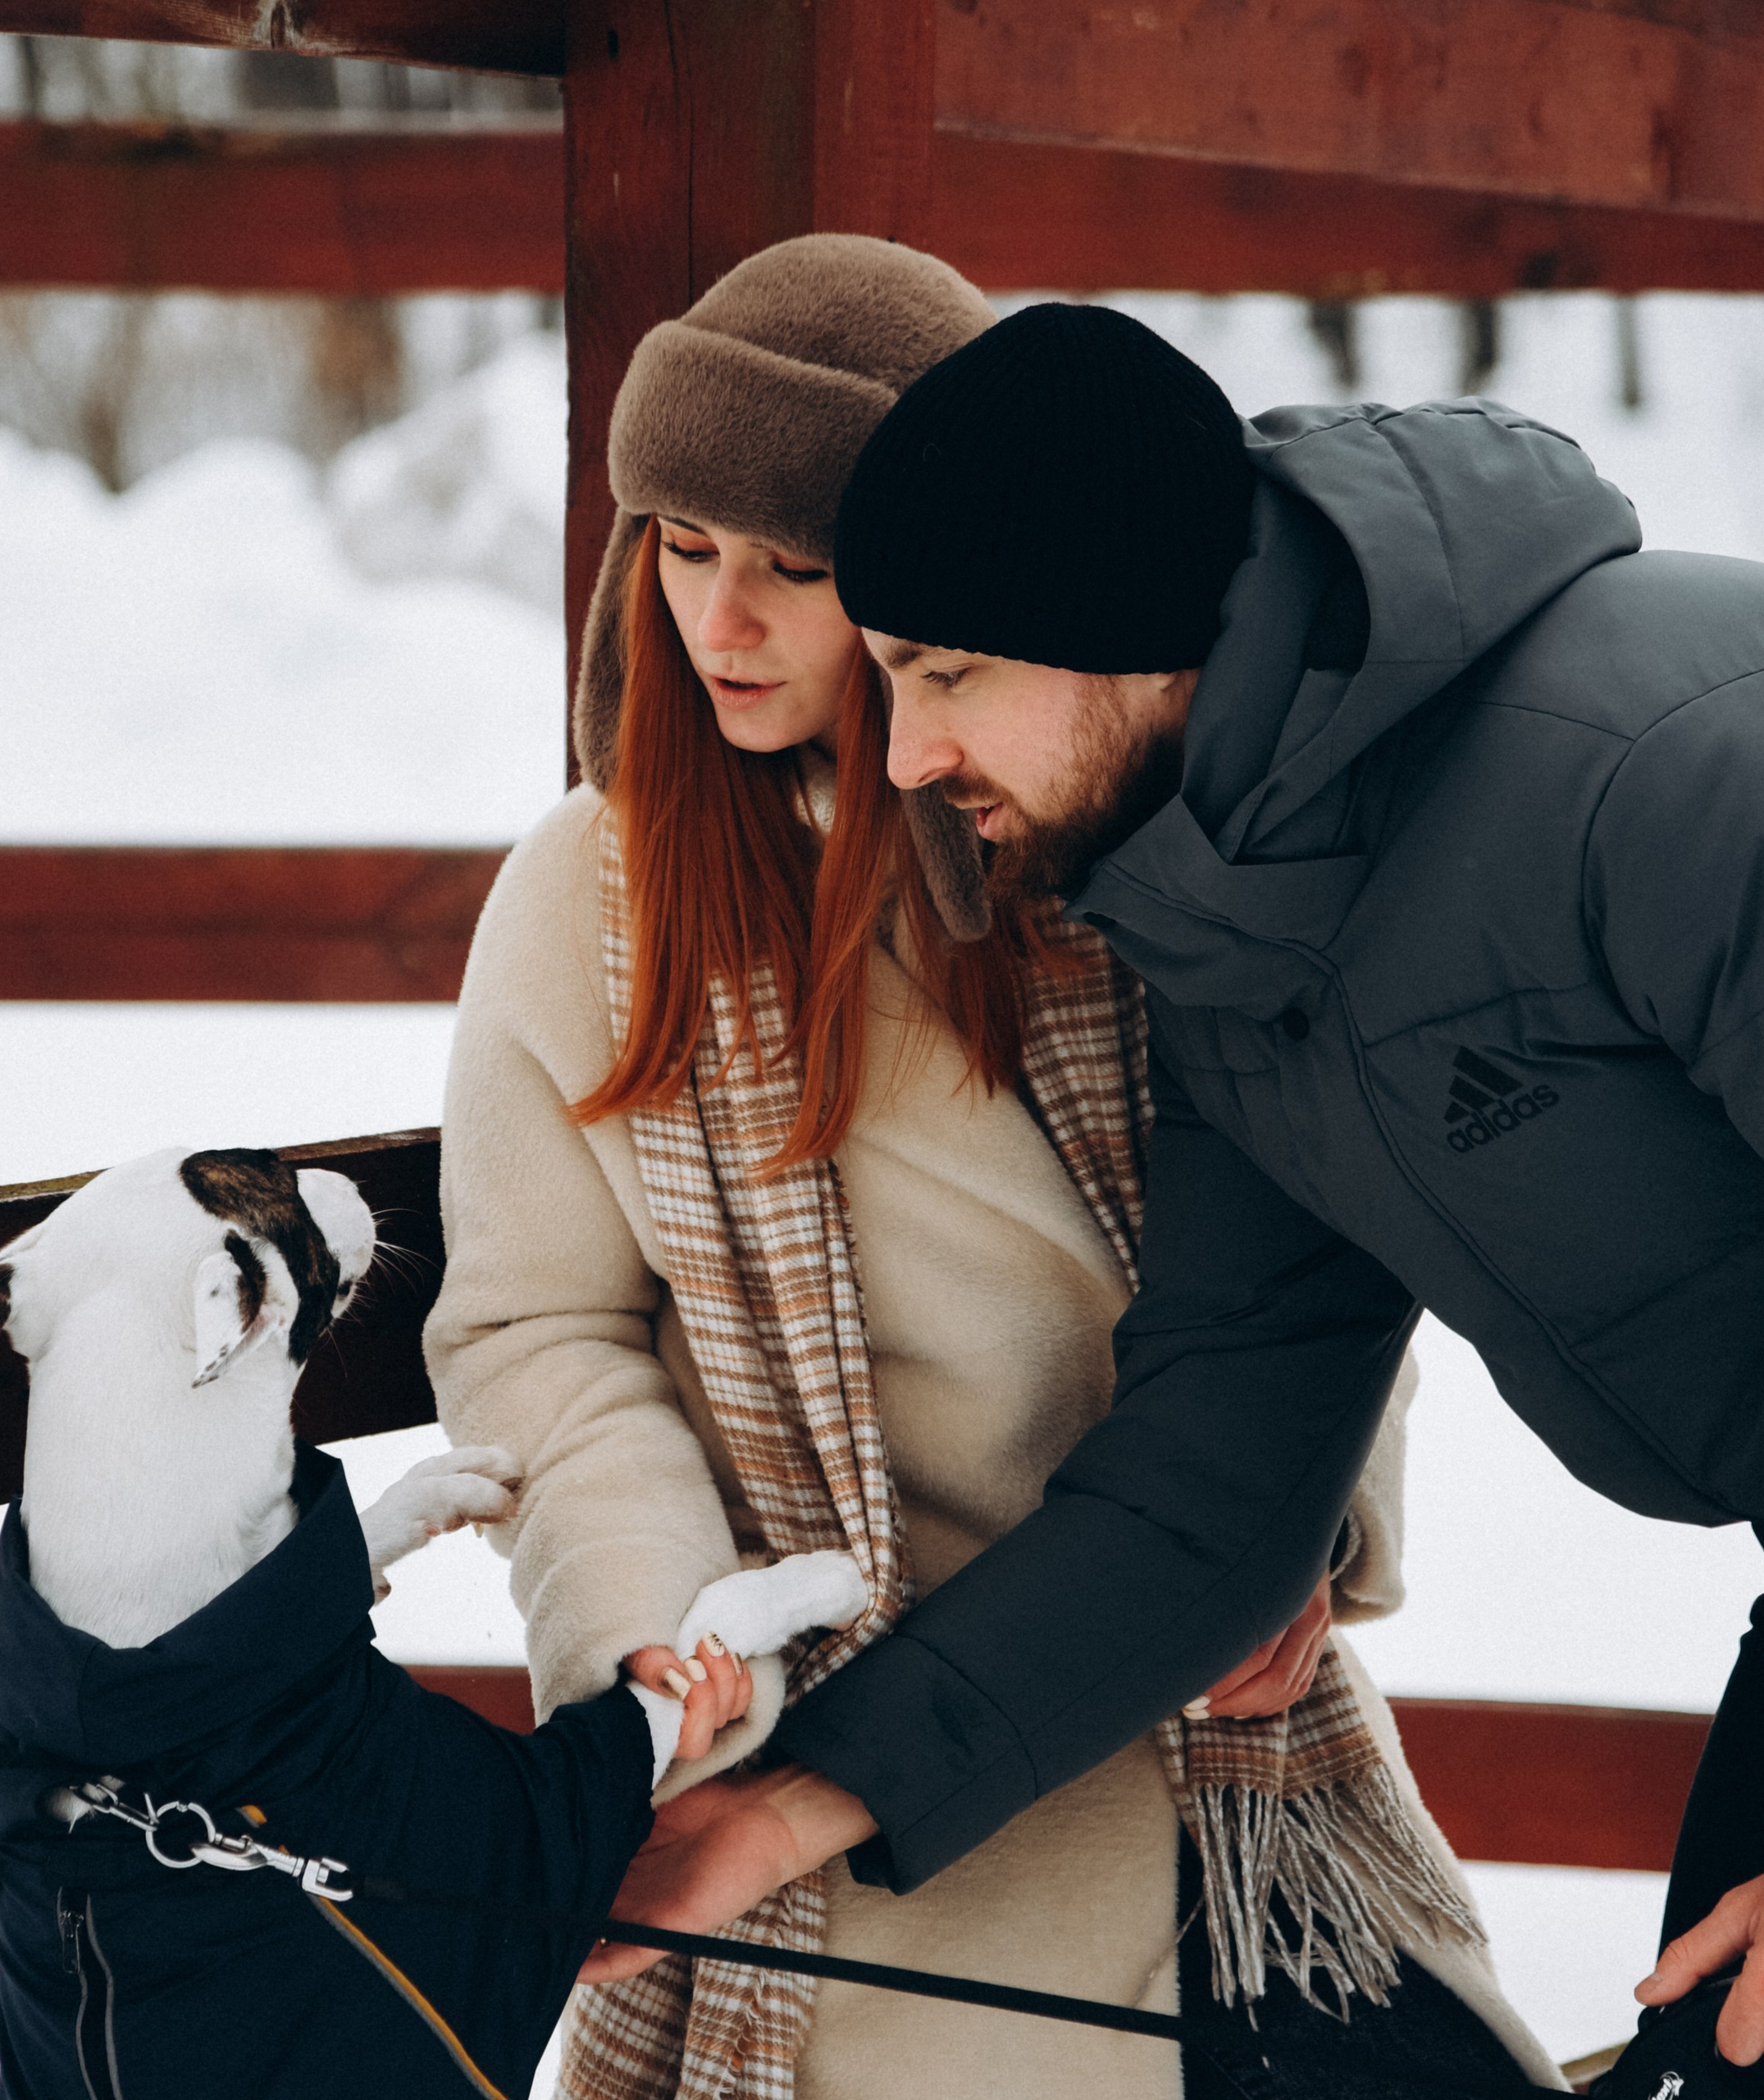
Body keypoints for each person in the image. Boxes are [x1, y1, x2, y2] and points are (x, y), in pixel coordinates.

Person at [426, 242, 1557, 2098]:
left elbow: (1311, 1216)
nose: (725, 621)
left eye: (796, 569)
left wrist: (1302, 1537)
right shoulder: (588, 896)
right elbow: (541, 1323)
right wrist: (651, 1632)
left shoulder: (1092, 846)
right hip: (823, 1748)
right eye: (683, 547)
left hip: (1164, 1692)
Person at [606, 296, 1764, 2073]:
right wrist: (796, 1802)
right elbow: (1221, 1462)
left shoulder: (1662, 771)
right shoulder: (1228, 928)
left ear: (1127, 634)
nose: (903, 754)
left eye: (945, 671)